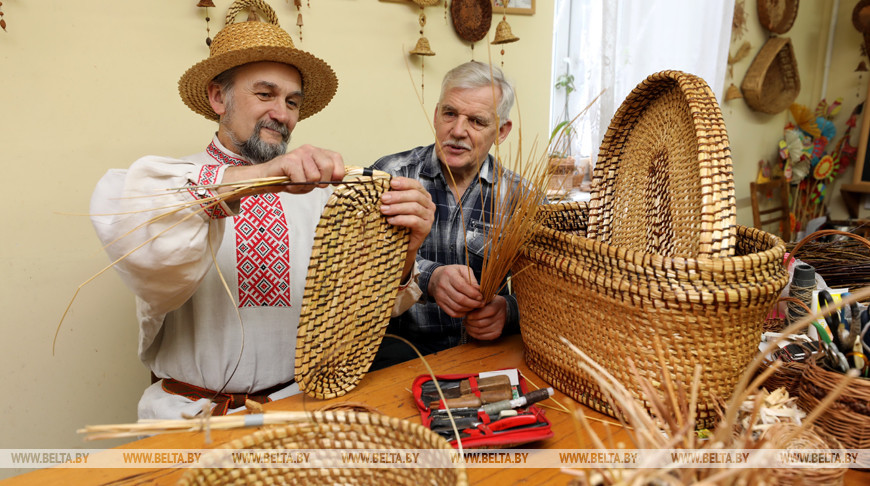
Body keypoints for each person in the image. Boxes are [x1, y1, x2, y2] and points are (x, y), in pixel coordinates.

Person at [90, 1, 434, 420]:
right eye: (265, 94)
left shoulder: (321, 194)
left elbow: (360, 305)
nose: (281, 114)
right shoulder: (174, 184)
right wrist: (264, 175)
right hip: (187, 419)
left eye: (292, 101)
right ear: (219, 97)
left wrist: (407, 250)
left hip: (298, 412)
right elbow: (131, 220)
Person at [370, 61, 522, 368]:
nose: (457, 130)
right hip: (397, 353)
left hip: (483, 355)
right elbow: (359, 267)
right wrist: (429, 278)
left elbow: (547, 292)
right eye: (450, 113)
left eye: (477, 121)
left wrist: (509, 311)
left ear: (502, 131)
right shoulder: (390, 177)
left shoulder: (521, 199)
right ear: (437, 113)